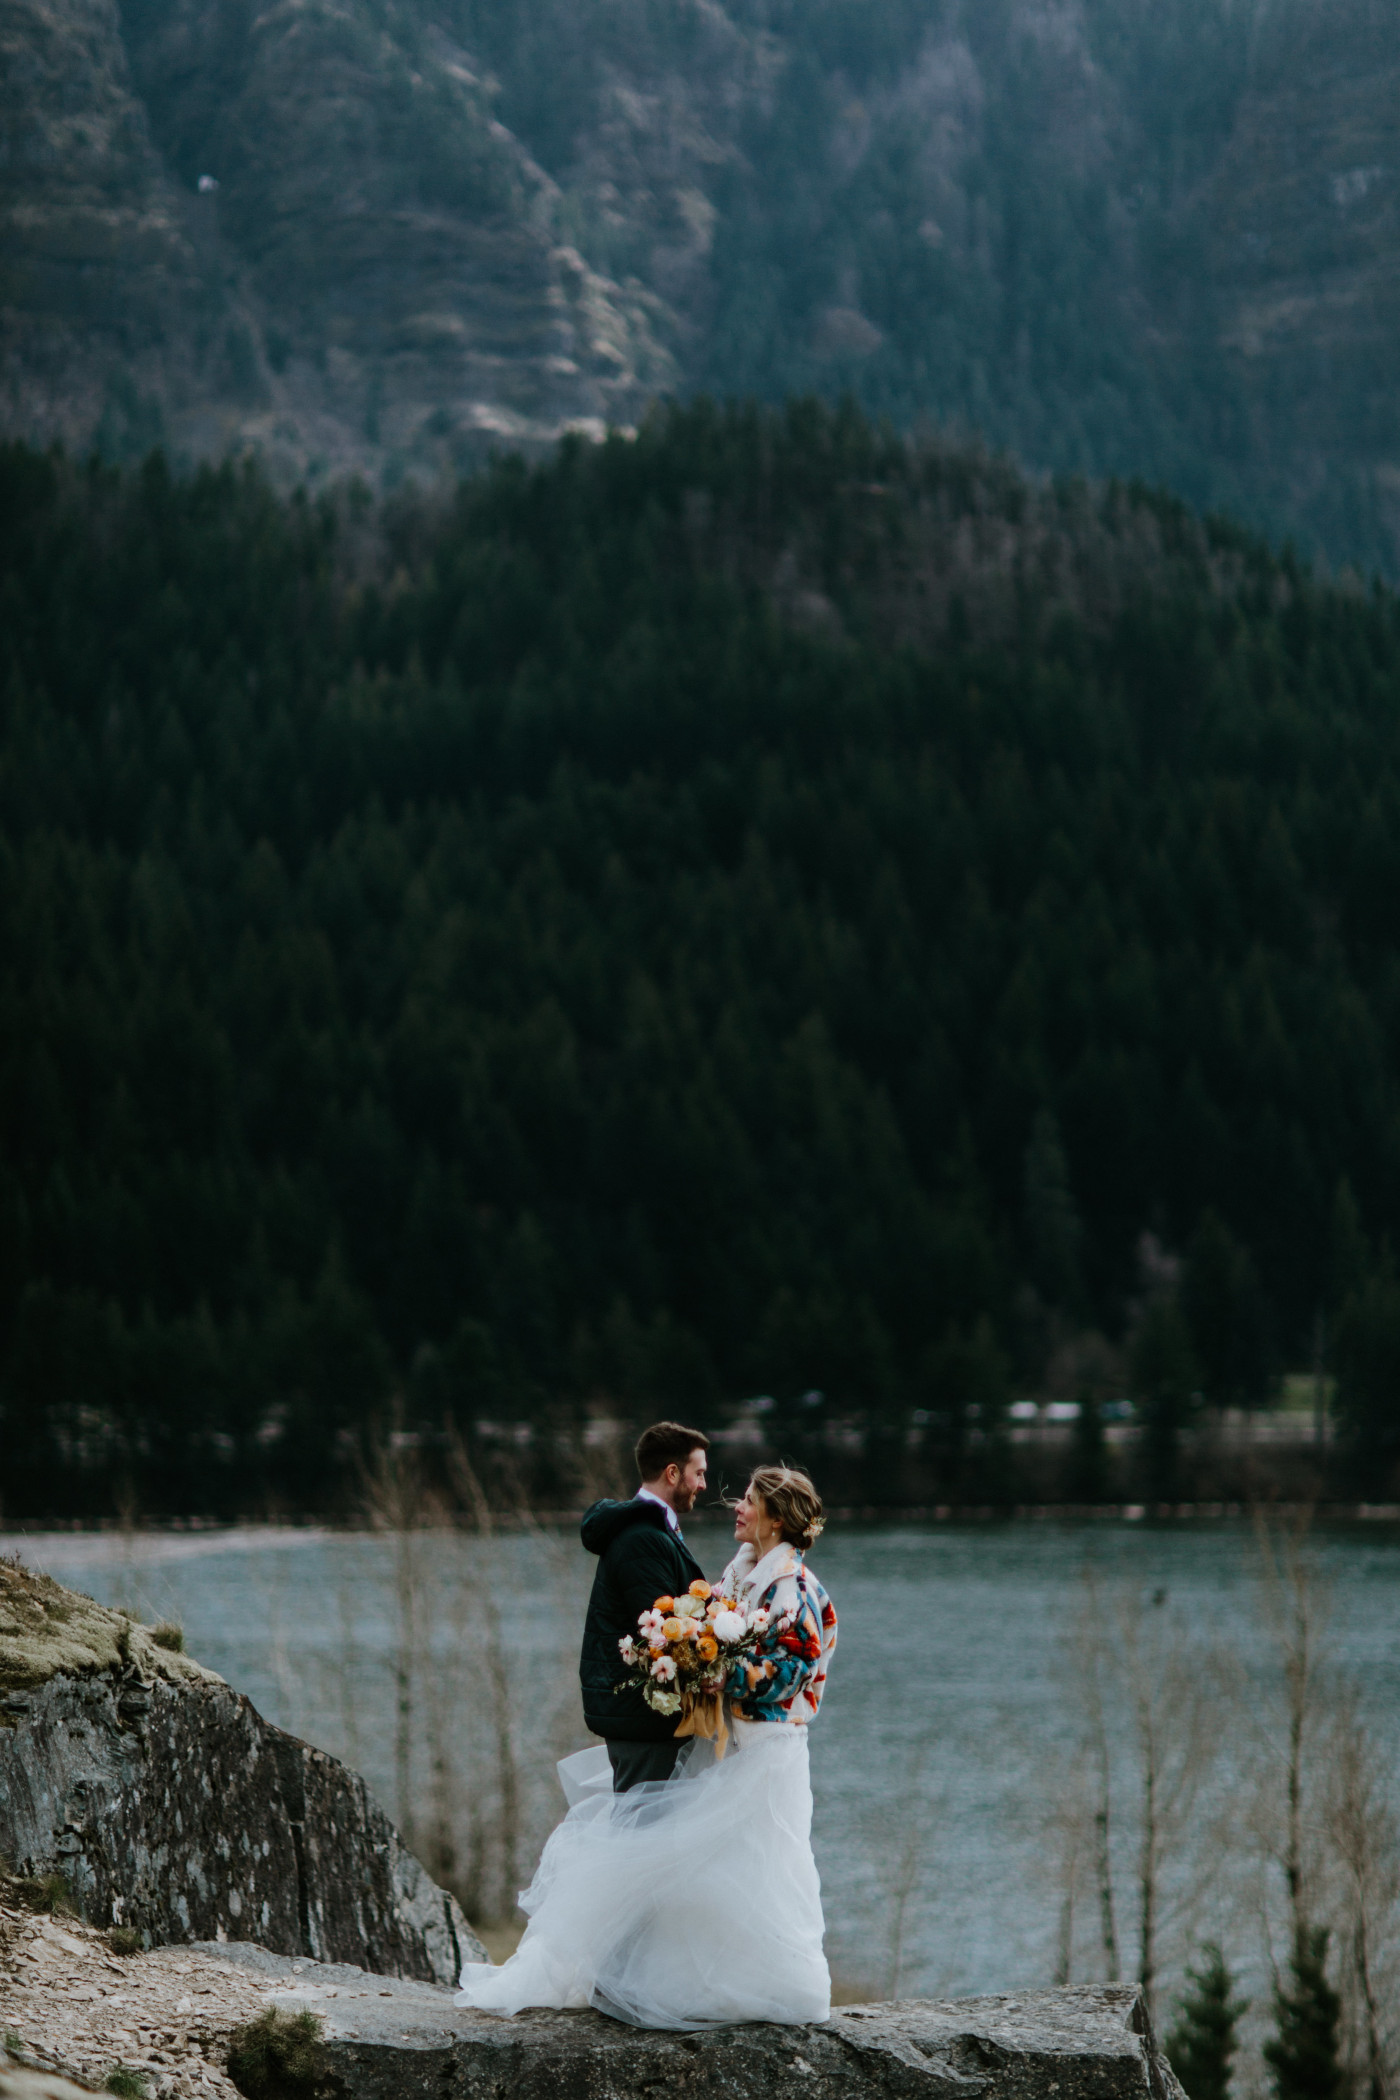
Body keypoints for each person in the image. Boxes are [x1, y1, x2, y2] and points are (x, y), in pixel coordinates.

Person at [455, 1460, 838, 2028]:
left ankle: (772, 1988)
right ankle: (695, 1983)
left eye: (750, 1499)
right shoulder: (742, 1575)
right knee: (709, 1872)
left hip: (767, 1753)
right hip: (727, 1747)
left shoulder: (796, 1588)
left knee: (765, 1868)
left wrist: (711, 1672)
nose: (736, 1505)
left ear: (777, 1519)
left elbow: (790, 1672)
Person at [577, 1421, 711, 1792]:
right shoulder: (642, 1538)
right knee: (643, 1836)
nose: (702, 1485)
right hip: (644, 1718)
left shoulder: (650, 1531)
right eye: (698, 1473)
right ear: (672, 1473)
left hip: (641, 1717)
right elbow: (661, 1631)